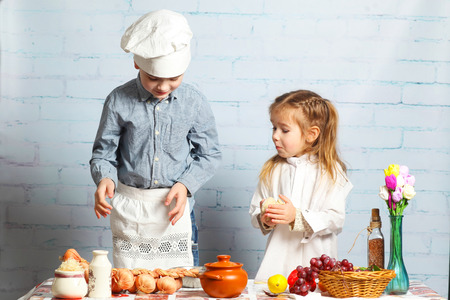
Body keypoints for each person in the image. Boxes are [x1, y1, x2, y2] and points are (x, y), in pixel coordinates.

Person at [90, 9, 221, 270]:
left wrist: (185, 185)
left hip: (174, 209)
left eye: (173, 79)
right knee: (131, 282)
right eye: (153, 78)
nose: (162, 87)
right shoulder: (118, 100)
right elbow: (103, 154)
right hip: (131, 208)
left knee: (180, 285)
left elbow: (209, 154)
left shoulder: (194, 102)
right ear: (137, 64)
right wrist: (105, 177)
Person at [249, 90, 352, 281]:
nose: (275, 136)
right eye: (274, 128)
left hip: (318, 263)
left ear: (311, 134)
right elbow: (254, 212)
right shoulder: (272, 170)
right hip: (277, 266)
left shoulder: (330, 171)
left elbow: (336, 219)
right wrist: (264, 219)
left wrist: (297, 217)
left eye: (284, 130)